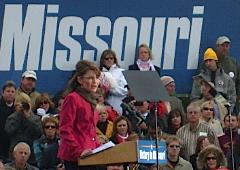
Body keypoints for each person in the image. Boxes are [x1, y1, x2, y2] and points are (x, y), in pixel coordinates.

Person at [57, 60, 102, 170]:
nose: (95, 81)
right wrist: (79, 151)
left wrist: (100, 148)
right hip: (76, 157)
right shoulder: (73, 98)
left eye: (96, 78)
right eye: (90, 78)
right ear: (80, 79)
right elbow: (65, 130)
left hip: (91, 154)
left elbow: (90, 132)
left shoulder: (91, 100)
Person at [5, 92, 42, 165]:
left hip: (31, 153)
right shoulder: (12, 117)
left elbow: (39, 133)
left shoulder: (35, 118)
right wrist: (18, 114)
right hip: (15, 153)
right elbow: (9, 131)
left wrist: (28, 117)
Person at [99, 49, 128, 114]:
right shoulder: (99, 73)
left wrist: (109, 89)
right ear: (103, 60)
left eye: (111, 58)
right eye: (106, 58)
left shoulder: (121, 71)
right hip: (104, 108)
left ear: (114, 60)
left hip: (119, 105)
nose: (109, 60)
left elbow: (124, 90)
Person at [215, 36, 240, 111]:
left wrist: (238, 96)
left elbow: (239, 81)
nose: (225, 48)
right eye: (222, 46)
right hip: (215, 99)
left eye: (227, 46)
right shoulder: (210, 62)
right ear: (217, 47)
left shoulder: (234, 63)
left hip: (231, 99)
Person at [0, 81, 16, 162]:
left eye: (12, 91)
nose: (10, 93)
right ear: (3, 93)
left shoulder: (18, 109)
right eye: (8, 91)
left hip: (12, 147)